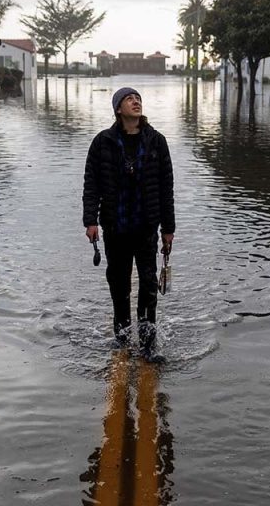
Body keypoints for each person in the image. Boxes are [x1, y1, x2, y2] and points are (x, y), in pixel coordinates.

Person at [83, 87, 175, 360]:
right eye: (129, 99)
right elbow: (92, 184)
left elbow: (166, 188)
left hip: (146, 227)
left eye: (138, 99)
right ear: (118, 110)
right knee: (119, 285)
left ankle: (148, 345)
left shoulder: (157, 141)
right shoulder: (103, 142)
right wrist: (90, 220)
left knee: (148, 286)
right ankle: (122, 340)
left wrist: (168, 229)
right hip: (115, 228)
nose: (136, 102)